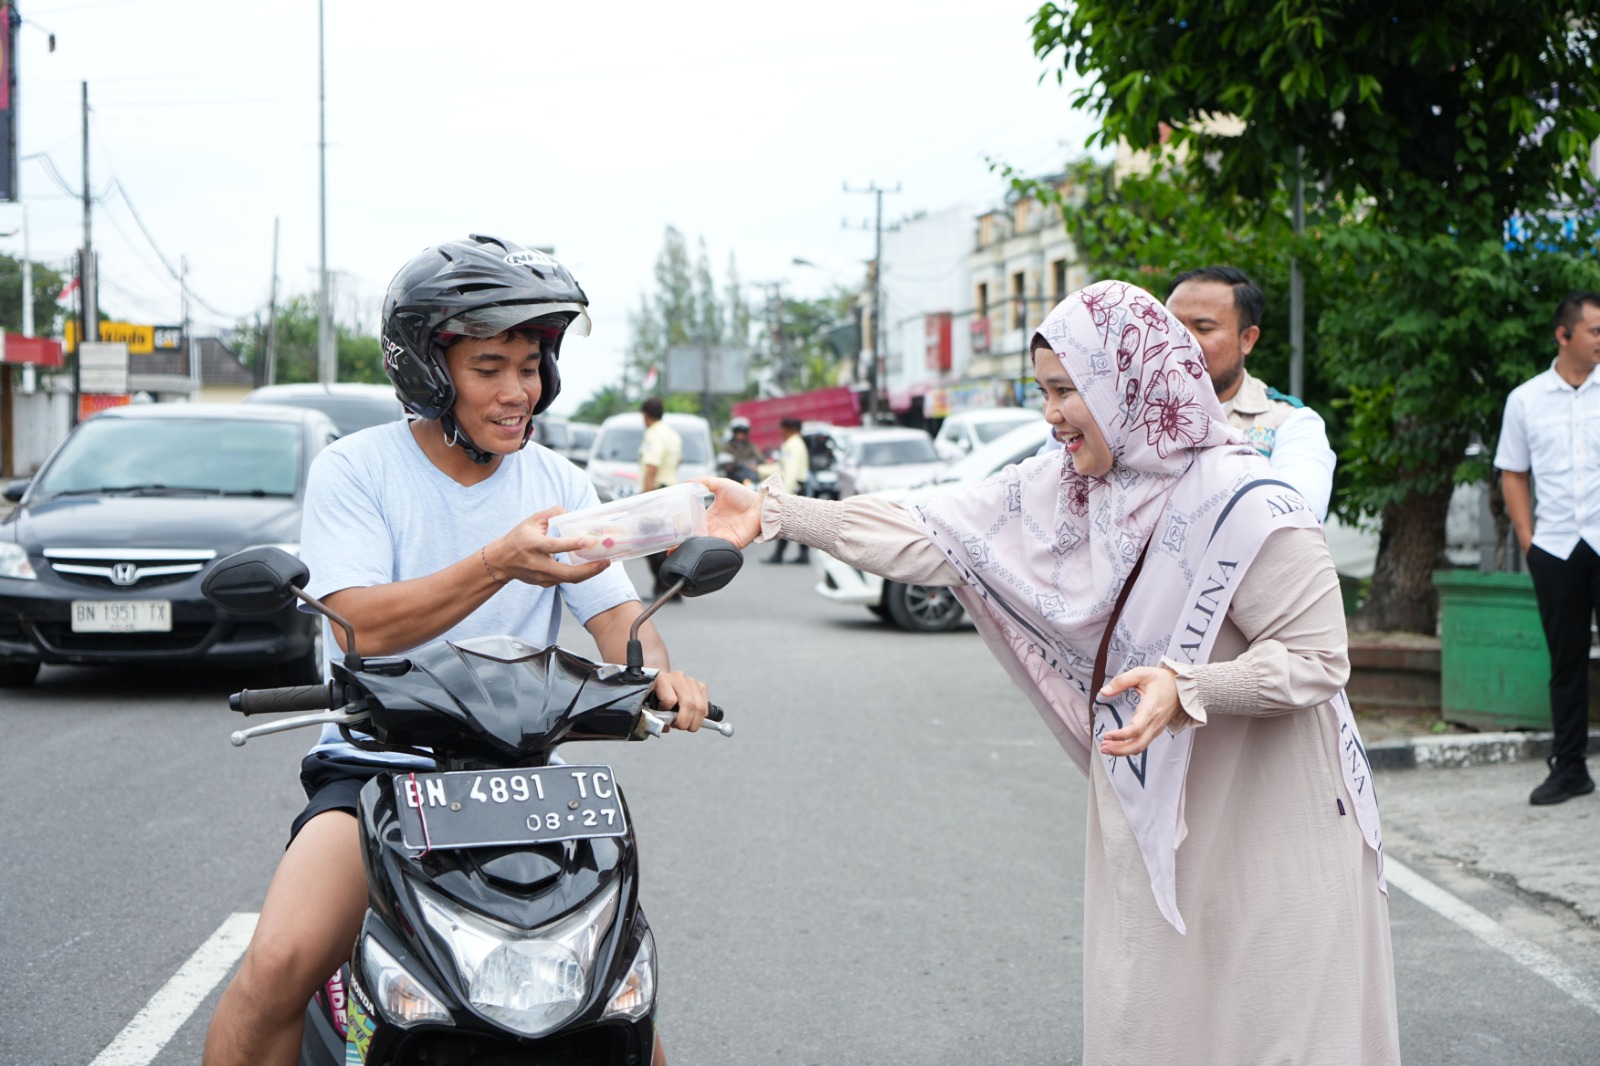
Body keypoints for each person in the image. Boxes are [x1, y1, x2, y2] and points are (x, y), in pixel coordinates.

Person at [696, 280, 1398, 1065]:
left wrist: (1190, 688)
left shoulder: (1246, 502)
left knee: (1271, 1015)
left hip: (1270, 814)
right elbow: (930, 530)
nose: (1051, 413)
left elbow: (1317, 658)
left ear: (1129, 384)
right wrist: (780, 514)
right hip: (1157, 806)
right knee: (1159, 1017)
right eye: (1045, 391)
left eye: (1069, 390)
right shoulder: (1065, 491)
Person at [203, 235, 710, 1066]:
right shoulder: (356, 470)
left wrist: (658, 675)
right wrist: (496, 562)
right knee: (278, 966)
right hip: (379, 765)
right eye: (490, 367)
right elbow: (359, 625)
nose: (520, 391)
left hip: (520, 778)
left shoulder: (557, 482)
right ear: (431, 373)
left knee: (623, 1004)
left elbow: (616, 612)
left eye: (532, 364)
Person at [1494, 290, 1600, 806]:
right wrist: (1528, 539)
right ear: (1564, 335)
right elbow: (1512, 471)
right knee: (1566, 661)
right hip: (1556, 547)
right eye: (1595, 331)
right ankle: (1571, 767)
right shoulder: (1526, 399)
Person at [1165, 265, 1336, 520]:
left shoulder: (1291, 424)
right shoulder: (1125, 414)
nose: (1183, 341)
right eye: (1171, 327)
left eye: (1203, 328)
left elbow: (1295, 518)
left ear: (1247, 339)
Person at [639, 395, 684, 596]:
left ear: (645, 415)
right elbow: (678, 460)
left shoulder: (654, 435)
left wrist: (645, 499)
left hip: (656, 494)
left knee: (650, 544)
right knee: (663, 543)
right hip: (670, 491)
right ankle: (667, 587)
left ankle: (666, 586)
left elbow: (651, 467)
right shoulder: (672, 434)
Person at [762, 416, 810, 564]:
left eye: (781, 429)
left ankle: (779, 555)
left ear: (788, 429)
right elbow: (782, 468)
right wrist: (761, 469)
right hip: (798, 487)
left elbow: (791, 471)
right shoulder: (795, 443)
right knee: (797, 523)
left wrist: (785, 494)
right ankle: (801, 555)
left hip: (794, 488)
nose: (780, 432)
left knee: (785, 522)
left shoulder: (792, 445)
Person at [721, 415, 762, 484]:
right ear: (734, 433)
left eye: (743, 432)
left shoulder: (750, 445)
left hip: (748, 474)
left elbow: (760, 457)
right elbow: (724, 461)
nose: (741, 434)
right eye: (739, 432)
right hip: (735, 475)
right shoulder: (728, 447)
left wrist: (756, 465)